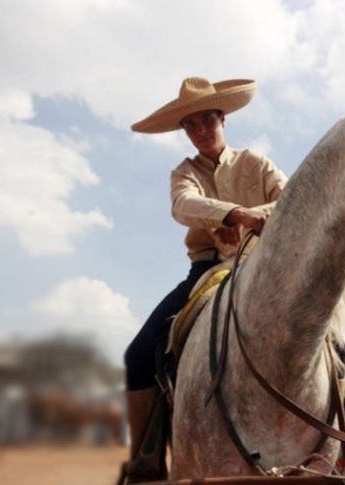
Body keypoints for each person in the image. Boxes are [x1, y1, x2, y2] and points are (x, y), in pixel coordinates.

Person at [123, 77, 287, 478]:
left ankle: (338, 439)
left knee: (330, 339)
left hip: (260, 265)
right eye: (190, 125)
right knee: (138, 355)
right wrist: (232, 213)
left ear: (223, 119)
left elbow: (290, 199)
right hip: (207, 269)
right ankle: (146, 460)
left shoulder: (256, 163)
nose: (199, 131)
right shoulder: (183, 172)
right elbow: (183, 205)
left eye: (206, 121)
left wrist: (245, 220)